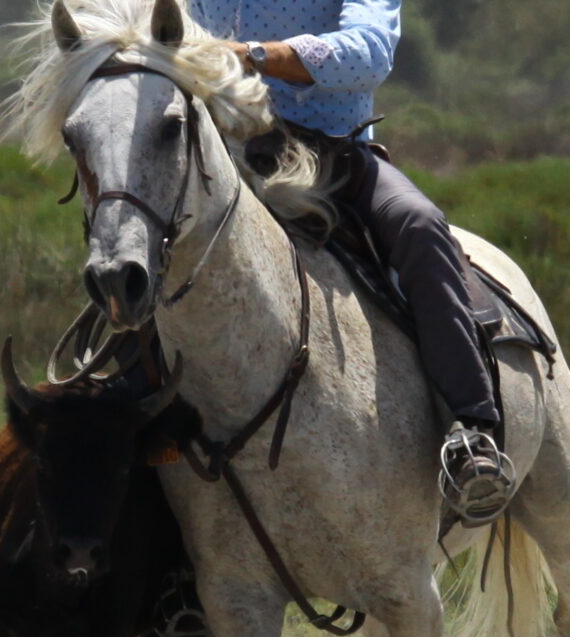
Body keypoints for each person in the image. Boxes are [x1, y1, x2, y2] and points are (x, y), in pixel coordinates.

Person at [189, 0, 515, 527]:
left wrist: (253, 56)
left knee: (418, 225)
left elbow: (368, 53)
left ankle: (472, 429)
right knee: (140, 241)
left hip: (334, 161)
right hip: (218, 164)